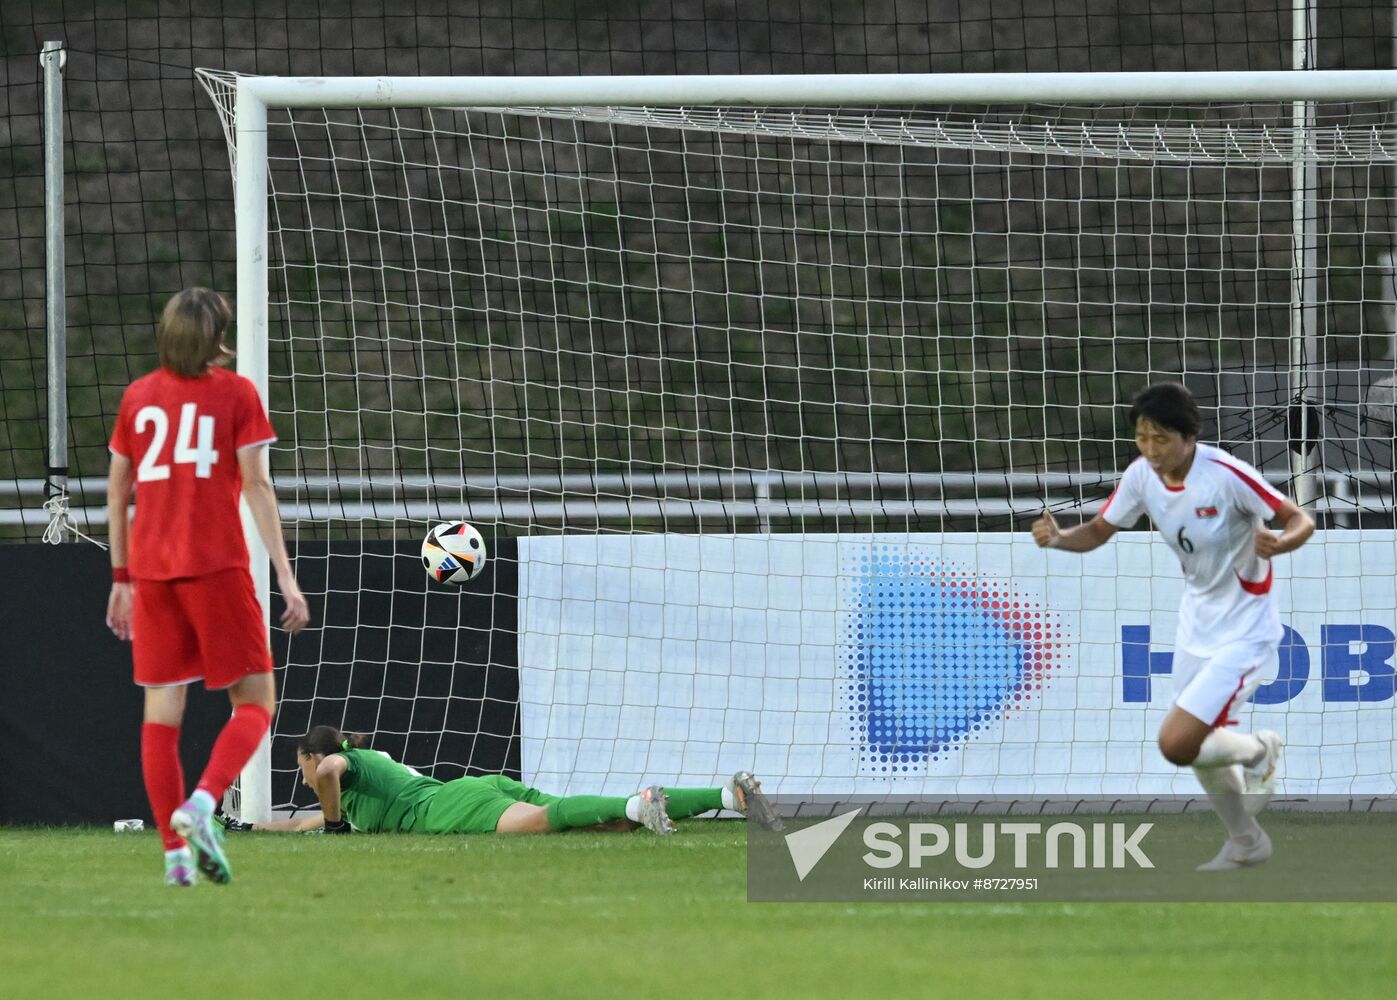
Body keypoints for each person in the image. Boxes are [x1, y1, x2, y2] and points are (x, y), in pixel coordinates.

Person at [1031, 381, 1314, 871]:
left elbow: (1299, 518)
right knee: (1203, 750)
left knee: (1178, 743)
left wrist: (1282, 543)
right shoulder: (1141, 475)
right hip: (1195, 625)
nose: (1151, 449)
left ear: (1188, 436)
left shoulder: (1225, 473)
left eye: (1161, 438)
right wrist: (1058, 539)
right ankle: (1246, 842)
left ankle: (1259, 752)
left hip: (1245, 629)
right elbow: (1099, 531)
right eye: (1142, 438)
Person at [106, 287, 312, 887]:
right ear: (216, 335)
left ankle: (174, 856)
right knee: (255, 703)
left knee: (161, 714)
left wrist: (121, 579)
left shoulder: (138, 397)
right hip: (215, 566)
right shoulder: (235, 393)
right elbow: (257, 486)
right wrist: (284, 574)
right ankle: (202, 805)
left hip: (151, 570)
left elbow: (118, 493)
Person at [218, 725, 784, 836]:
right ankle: (727, 795)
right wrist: (252, 827)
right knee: (601, 817)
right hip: (477, 784)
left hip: (450, 808)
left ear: (312, 757)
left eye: (301, 765)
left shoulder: (348, 766)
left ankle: (643, 808)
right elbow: (308, 821)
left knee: (540, 823)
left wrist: (335, 821)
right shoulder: (358, 795)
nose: (306, 777)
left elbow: (333, 773)